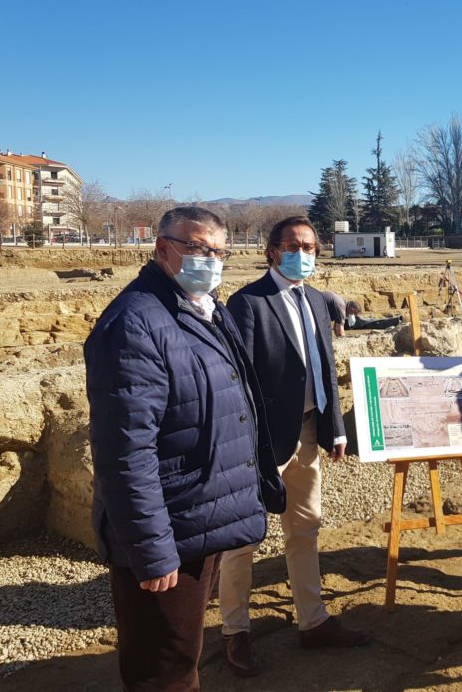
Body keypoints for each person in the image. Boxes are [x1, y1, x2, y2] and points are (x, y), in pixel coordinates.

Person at [85, 206, 285, 690]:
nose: (210, 260)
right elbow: (126, 452)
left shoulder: (202, 309)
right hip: (170, 529)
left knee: (182, 652)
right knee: (165, 669)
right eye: (197, 248)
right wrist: (153, 551)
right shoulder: (136, 323)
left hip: (198, 518)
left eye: (219, 251)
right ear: (162, 248)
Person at [219, 216, 369, 676]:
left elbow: (324, 368)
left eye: (310, 246)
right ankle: (235, 631)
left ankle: (313, 620)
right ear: (271, 251)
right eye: (292, 245)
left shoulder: (319, 301)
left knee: (304, 528)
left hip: (306, 434)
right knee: (241, 538)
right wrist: (243, 444)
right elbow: (236, 381)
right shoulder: (247, 303)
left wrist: (335, 429)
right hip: (259, 441)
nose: (302, 253)